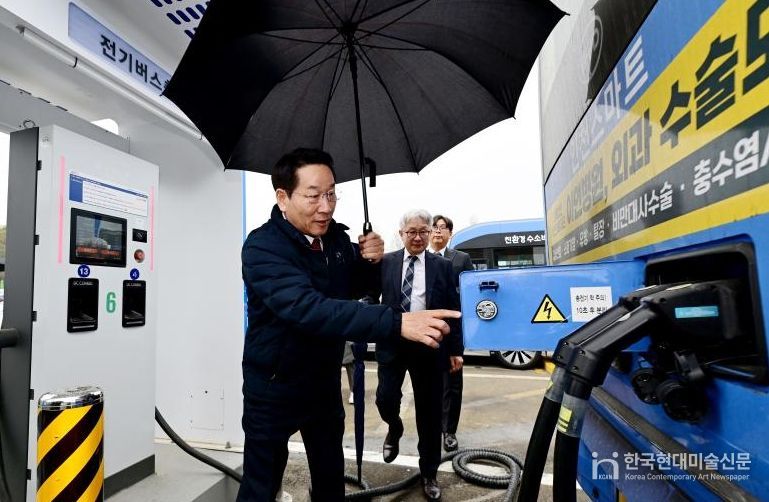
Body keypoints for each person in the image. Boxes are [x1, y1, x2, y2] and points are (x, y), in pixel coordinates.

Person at [239, 148, 460, 502]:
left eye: (331, 194)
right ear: (283, 197)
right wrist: (396, 322)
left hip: (323, 385)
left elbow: (356, 288)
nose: (325, 207)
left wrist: (371, 262)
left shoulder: (336, 242)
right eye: (313, 196)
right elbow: (309, 308)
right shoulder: (262, 247)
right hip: (274, 386)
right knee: (261, 485)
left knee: (330, 480)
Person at [374, 209, 462, 501]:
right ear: (401, 234)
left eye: (423, 231)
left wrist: (455, 351)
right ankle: (394, 427)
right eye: (411, 232)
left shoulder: (443, 266)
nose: (417, 237)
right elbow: (371, 296)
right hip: (393, 341)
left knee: (430, 413)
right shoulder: (386, 262)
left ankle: (429, 473)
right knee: (385, 398)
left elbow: (453, 310)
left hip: (429, 345)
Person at [429, 214, 474, 452]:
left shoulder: (461, 259)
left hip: (452, 329)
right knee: (429, 382)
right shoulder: (421, 258)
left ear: (450, 233)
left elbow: (470, 291)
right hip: (427, 329)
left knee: (452, 384)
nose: (437, 231)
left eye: (442, 227)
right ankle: (431, 428)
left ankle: (449, 431)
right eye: (434, 227)